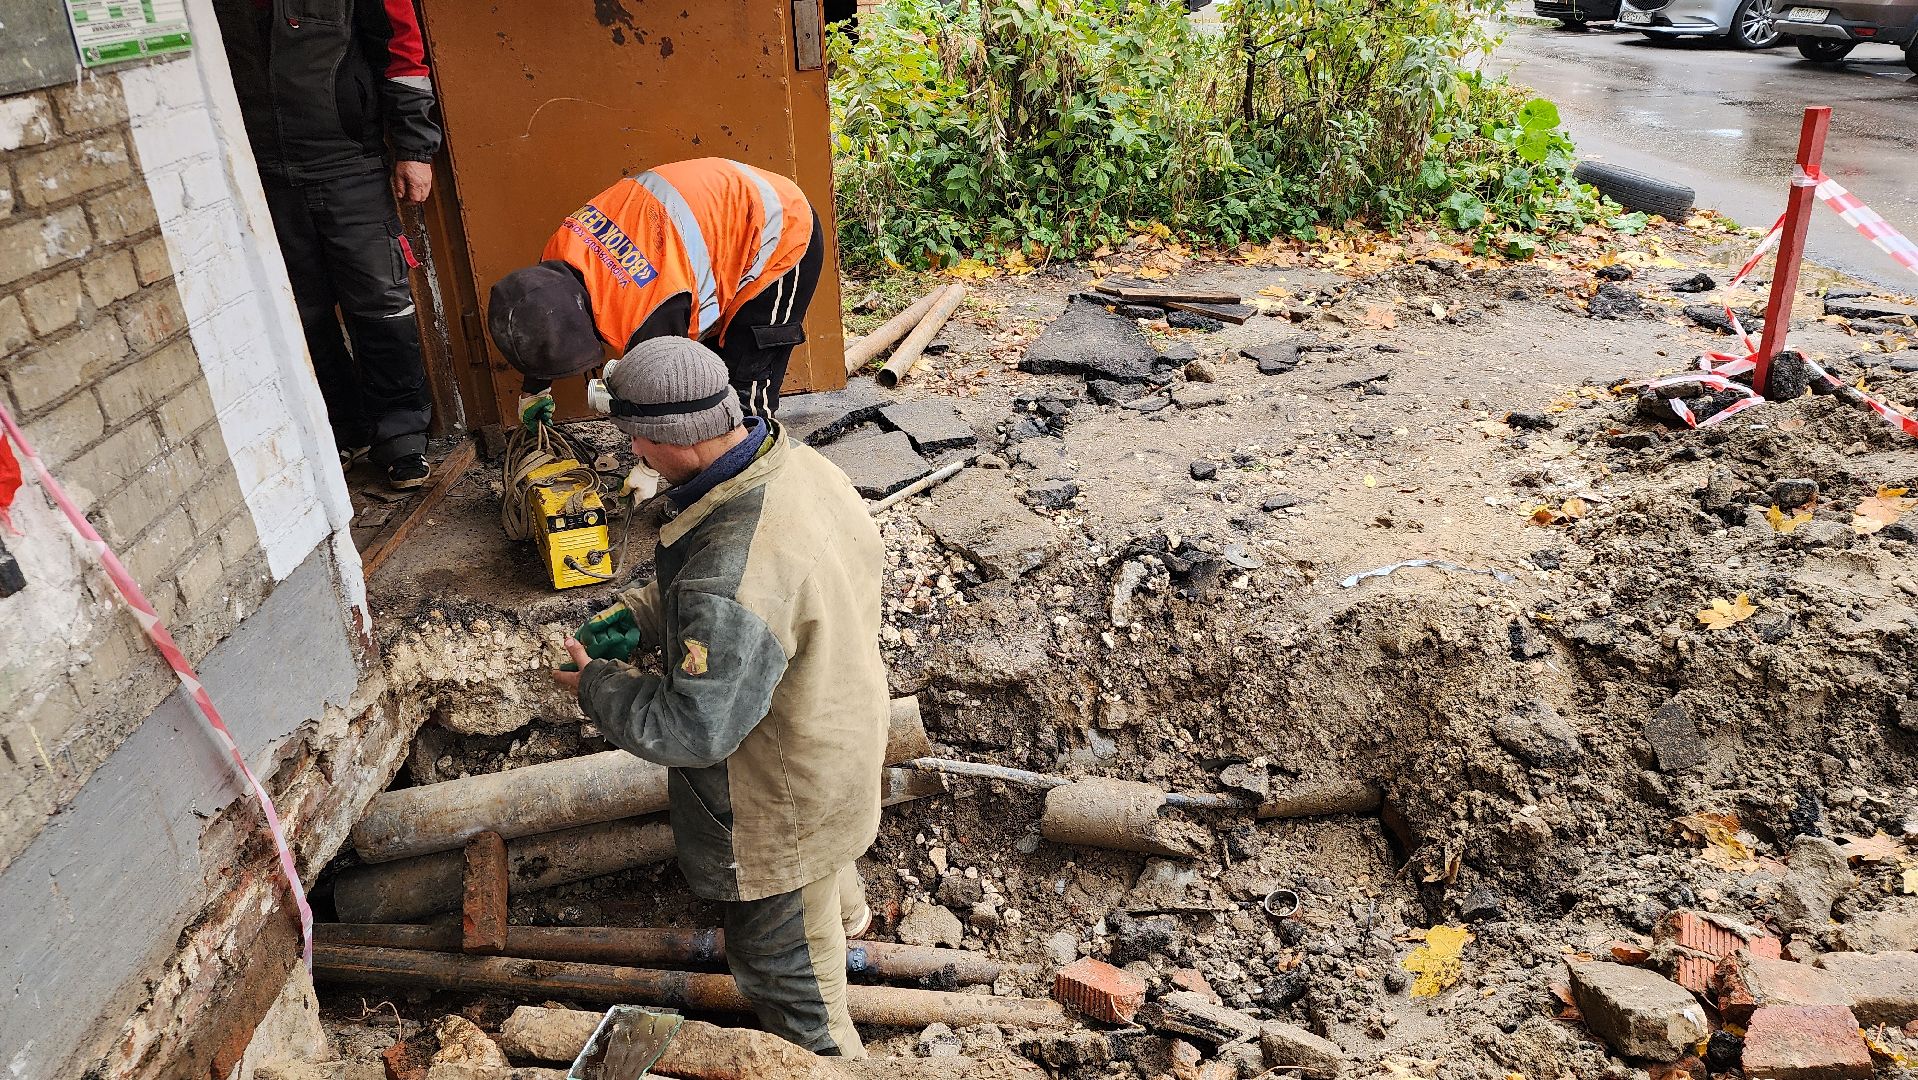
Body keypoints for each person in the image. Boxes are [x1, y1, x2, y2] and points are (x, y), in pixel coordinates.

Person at [550, 337, 885, 1057]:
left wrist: (599, 687)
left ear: (671, 436)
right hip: (839, 727)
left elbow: (690, 730)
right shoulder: (793, 464)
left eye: (635, 436)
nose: (632, 448)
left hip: (778, 797)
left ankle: (834, 1062)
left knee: (782, 969)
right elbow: (747, 585)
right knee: (825, 878)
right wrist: (645, 613)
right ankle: (849, 927)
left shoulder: (729, 580)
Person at [212, 0, 441, 489]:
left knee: (380, 304)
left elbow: (402, 54)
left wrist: (414, 147)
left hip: (349, 165)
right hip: (260, 174)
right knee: (300, 312)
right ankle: (340, 430)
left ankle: (400, 437)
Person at [487, 158, 823, 431]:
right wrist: (535, 389)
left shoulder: (648, 315)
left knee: (746, 382)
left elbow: (672, 394)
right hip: (720, 213)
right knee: (710, 371)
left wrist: (648, 467)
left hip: (780, 228)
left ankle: (753, 477)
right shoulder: (562, 253)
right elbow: (544, 314)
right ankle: (712, 460)